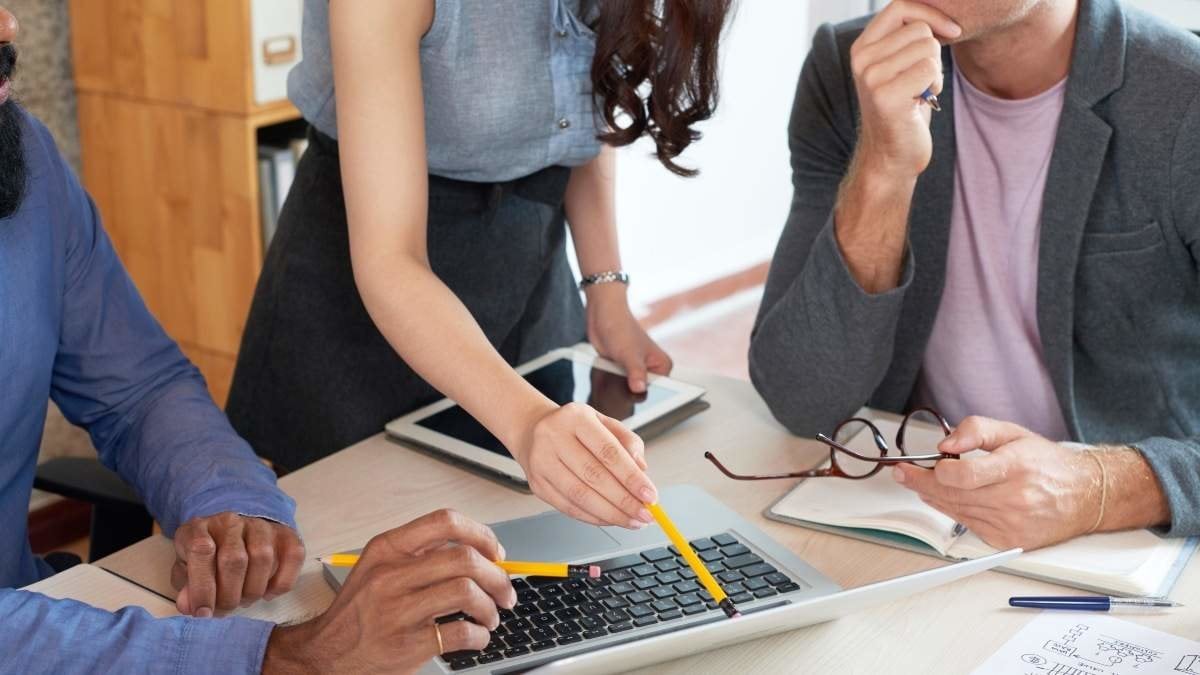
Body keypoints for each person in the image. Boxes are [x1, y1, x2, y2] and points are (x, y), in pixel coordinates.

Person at [0, 8, 513, 671]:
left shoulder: (25, 158)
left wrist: (225, 498)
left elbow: (138, 390)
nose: (9, 27)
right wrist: (280, 657)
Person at [226, 0, 733, 529]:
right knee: (376, 567)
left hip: (528, 278)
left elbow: (576, 115)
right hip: (364, 318)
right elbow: (390, 259)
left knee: (531, 554)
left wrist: (606, 293)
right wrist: (530, 419)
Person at [750, 0, 1200, 551]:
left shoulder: (1185, 95)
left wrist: (1102, 485)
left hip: (1126, 545)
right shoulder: (850, 70)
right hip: (914, 519)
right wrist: (883, 168)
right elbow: (802, 400)